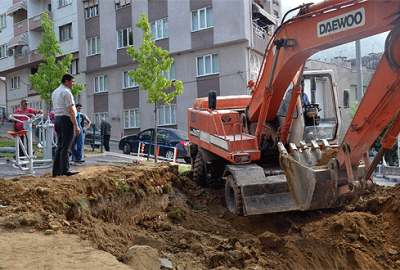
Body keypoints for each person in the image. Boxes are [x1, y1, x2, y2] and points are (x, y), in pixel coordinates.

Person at [51, 74, 80, 177]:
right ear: (66, 81)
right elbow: (71, 111)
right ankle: (65, 170)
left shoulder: (55, 91)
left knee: (60, 146)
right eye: (72, 81)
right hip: (66, 120)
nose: (73, 84)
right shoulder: (66, 92)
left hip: (58, 120)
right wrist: (76, 126)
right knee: (66, 146)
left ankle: (56, 171)